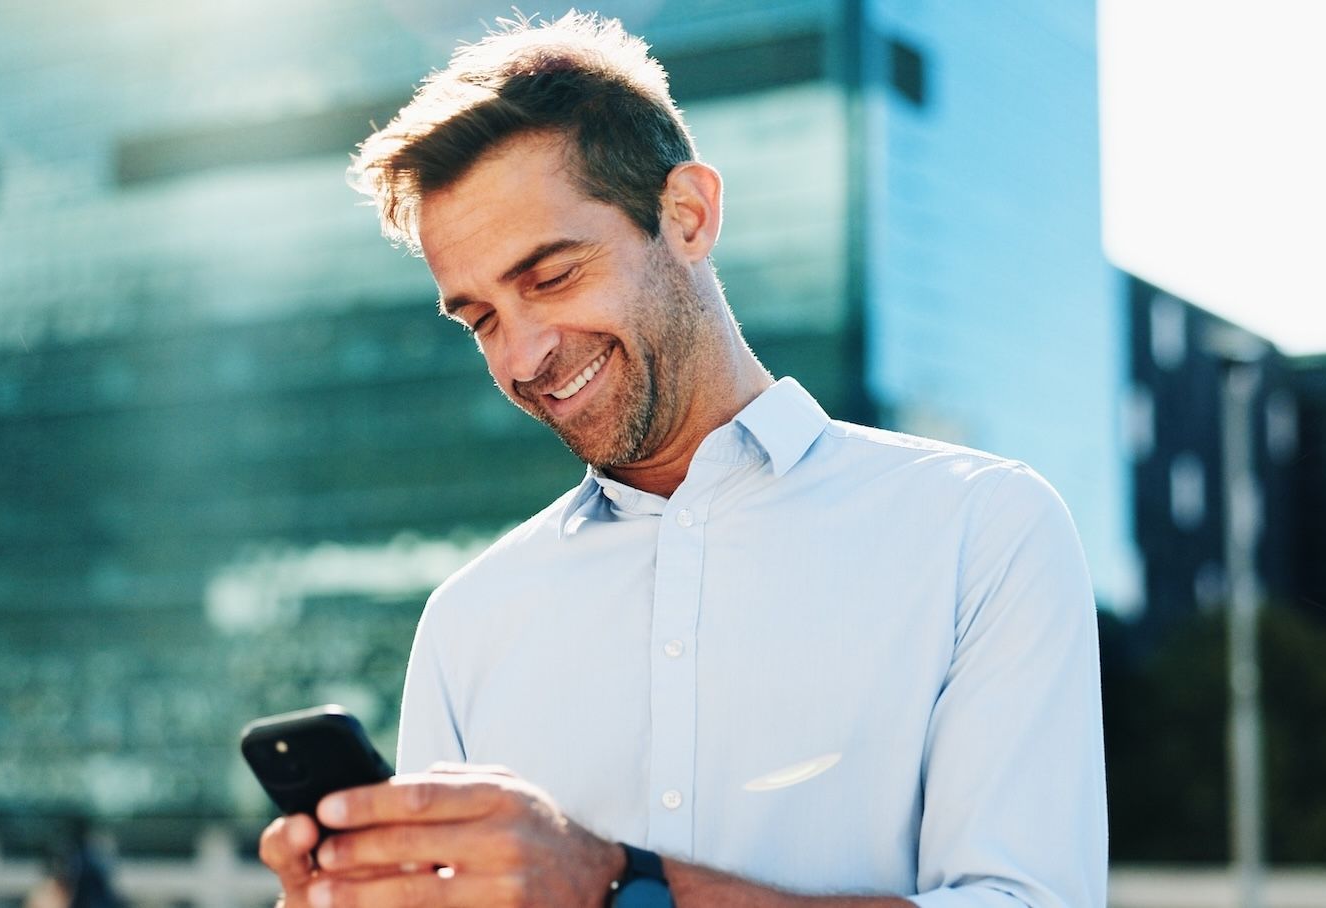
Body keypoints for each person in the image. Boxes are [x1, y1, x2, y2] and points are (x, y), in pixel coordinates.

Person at [258, 11, 1106, 907]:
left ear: (689, 215)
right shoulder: (468, 623)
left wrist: (620, 885)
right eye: (481, 319)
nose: (521, 355)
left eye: (550, 277)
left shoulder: (981, 531)